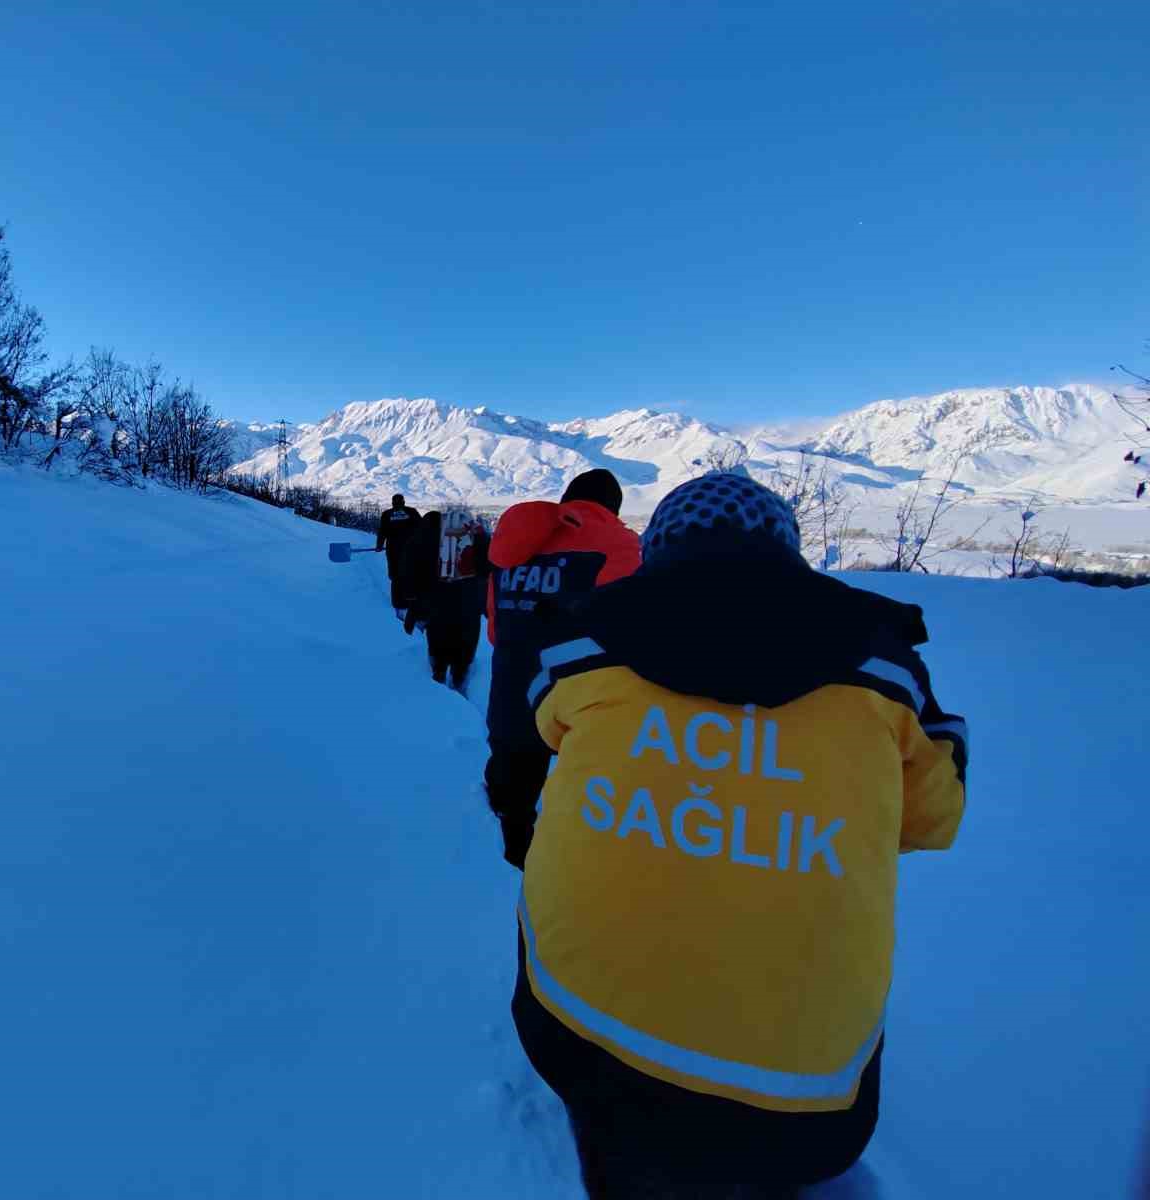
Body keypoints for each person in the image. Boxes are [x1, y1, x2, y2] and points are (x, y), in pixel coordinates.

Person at [512, 471, 967, 1196]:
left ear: (658, 549)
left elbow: (550, 728)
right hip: (808, 1103)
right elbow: (933, 818)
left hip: (581, 1038)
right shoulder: (885, 672)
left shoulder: (585, 644)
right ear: (787, 551)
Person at [483, 468, 640, 868]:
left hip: (512, 696)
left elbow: (495, 631)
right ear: (613, 507)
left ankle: (510, 864)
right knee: (581, 808)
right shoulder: (620, 545)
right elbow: (633, 633)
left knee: (510, 807)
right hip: (585, 703)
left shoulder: (511, 544)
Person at [405, 517, 490, 690]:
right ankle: (456, 681)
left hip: (443, 608)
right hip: (466, 608)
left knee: (440, 648)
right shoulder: (478, 570)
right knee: (462, 649)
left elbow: (418, 584)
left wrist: (414, 609)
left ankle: (443, 680)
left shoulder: (431, 557)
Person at [374, 493, 421, 613]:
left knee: (395, 576)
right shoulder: (412, 512)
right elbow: (421, 528)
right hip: (410, 550)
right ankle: (410, 600)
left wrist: (379, 545)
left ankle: (397, 602)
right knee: (410, 574)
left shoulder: (387, 514)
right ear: (403, 502)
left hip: (393, 550)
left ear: (392, 503)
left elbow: (382, 531)